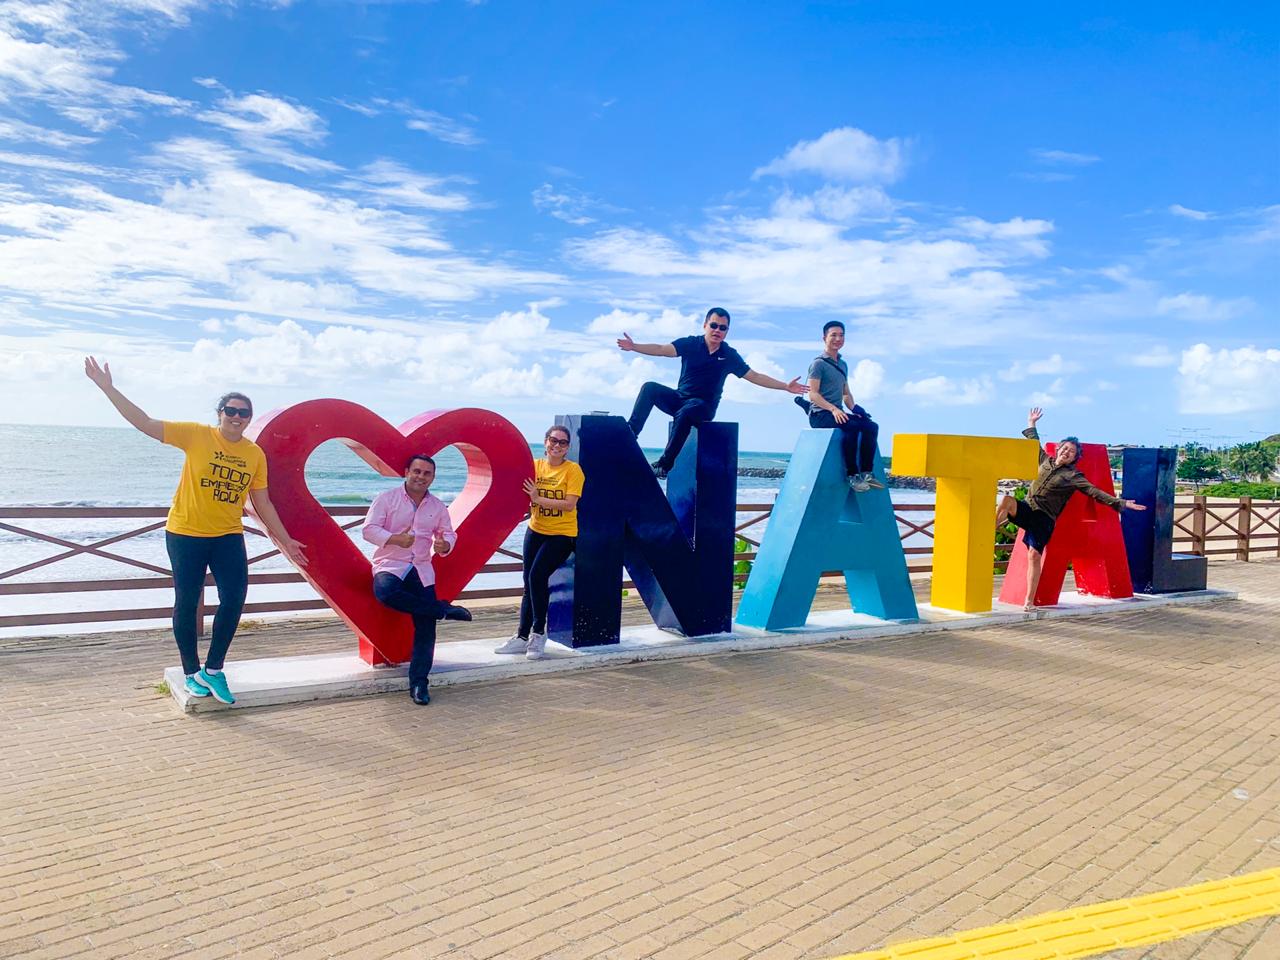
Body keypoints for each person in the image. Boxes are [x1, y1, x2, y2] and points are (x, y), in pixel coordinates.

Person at [83, 357, 307, 705]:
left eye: (243, 413)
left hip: (228, 536)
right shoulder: (196, 435)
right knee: (186, 602)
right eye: (231, 410)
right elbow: (144, 422)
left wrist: (284, 541)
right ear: (219, 413)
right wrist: (108, 388)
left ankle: (213, 670)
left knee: (233, 600)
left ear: (249, 419)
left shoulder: (254, 455)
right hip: (185, 533)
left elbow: (263, 504)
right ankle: (191, 673)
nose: (236, 417)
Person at [618, 307, 806, 478]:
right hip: (679, 399)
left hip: (703, 407)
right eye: (714, 325)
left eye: (722, 328)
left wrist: (785, 386)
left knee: (690, 409)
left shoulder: (729, 354)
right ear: (705, 325)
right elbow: (661, 349)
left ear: (727, 331)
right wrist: (635, 347)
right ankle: (630, 433)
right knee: (650, 387)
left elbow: (755, 376)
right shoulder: (691, 344)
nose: (717, 330)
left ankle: (664, 465)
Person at [996, 407, 1147, 611]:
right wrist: (1032, 423)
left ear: (1074, 457)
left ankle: (1029, 601)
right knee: (1006, 499)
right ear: (1058, 449)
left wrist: (1121, 503)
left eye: (1071, 452)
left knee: (1034, 556)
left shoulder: (1073, 476)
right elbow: (1034, 443)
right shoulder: (1044, 460)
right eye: (1065, 448)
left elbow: (1094, 491)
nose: (1066, 453)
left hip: (1044, 519)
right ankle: (989, 530)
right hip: (1028, 509)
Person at [362, 454, 472, 706]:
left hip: (421, 567)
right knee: (386, 594)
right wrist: (394, 539)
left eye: (427, 473)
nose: (421, 477)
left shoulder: (437, 507)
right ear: (406, 472)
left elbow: (448, 533)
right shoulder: (386, 499)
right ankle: (442, 609)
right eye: (417, 471)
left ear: (432, 478)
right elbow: (369, 530)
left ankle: (419, 683)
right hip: (390, 564)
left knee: (425, 627)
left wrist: (445, 546)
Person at [494, 425, 585, 661]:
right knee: (528, 583)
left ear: (568, 448)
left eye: (563, 443)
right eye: (553, 440)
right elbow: (514, 489)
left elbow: (569, 504)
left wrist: (537, 498)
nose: (557, 445)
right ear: (545, 441)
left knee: (537, 577)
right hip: (535, 530)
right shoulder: (535, 467)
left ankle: (538, 633)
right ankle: (522, 637)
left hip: (563, 534)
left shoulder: (573, 471)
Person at [801, 320, 885, 493]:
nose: (838, 338)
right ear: (824, 338)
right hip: (820, 414)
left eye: (841, 335)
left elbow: (846, 393)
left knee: (870, 426)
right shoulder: (818, 364)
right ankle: (852, 475)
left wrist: (855, 409)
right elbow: (813, 394)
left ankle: (867, 473)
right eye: (834, 335)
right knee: (852, 426)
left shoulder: (843, 365)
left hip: (837, 412)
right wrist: (833, 408)